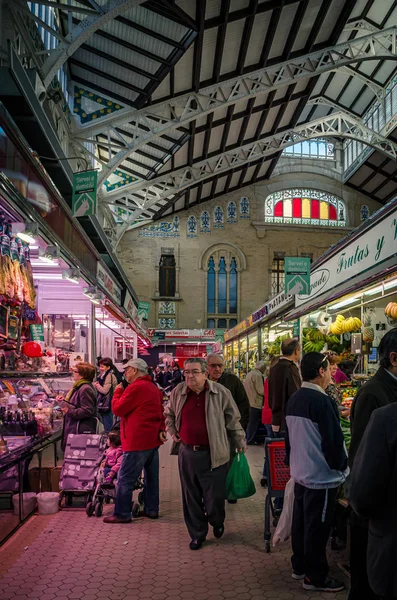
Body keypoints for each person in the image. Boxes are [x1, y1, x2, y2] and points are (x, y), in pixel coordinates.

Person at [164, 358, 246, 550]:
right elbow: (169, 414)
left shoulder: (220, 392)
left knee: (215, 498)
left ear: (205, 373)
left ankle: (217, 520)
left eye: (195, 372)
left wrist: (239, 441)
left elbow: (233, 420)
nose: (190, 376)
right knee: (190, 496)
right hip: (187, 453)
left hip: (215, 453)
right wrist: (172, 430)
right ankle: (197, 534)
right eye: (187, 372)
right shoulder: (178, 392)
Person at [285, 352, 347, 593]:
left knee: (301, 524)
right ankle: (315, 577)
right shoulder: (322, 402)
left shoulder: (296, 398)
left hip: (301, 473)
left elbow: (289, 439)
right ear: (321, 371)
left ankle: (299, 566)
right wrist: (341, 466)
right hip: (320, 477)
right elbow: (332, 441)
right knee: (317, 528)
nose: (332, 373)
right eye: (329, 369)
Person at [348, 328, 397, 600]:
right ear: (394, 358)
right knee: (366, 587)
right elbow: (362, 457)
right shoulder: (373, 394)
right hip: (376, 522)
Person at [103, 358, 166, 524]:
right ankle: (152, 509)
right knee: (152, 478)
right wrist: (161, 430)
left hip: (136, 440)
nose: (125, 373)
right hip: (152, 440)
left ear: (136, 371)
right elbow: (161, 411)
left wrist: (117, 392)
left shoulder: (136, 388)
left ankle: (122, 513)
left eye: (127, 370)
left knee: (125, 478)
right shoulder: (153, 387)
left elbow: (118, 409)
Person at [58, 362, 97, 451]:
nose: (73, 373)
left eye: (75, 371)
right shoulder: (79, 386)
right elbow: (76, 404)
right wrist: (64, 402)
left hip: (80, 429)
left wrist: (68, 411)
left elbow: (87, 410)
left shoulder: (85, 388)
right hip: (75, 428)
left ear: (82, 375)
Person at [206, 353, 250, 430]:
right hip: (209, 428)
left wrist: (239, 427)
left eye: (220, 366)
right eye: (213, 366)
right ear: (206, 367)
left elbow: (243, 405)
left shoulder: (232, 381)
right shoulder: (202, 382)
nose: (217, 369)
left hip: (229, 428)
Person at [268, 338, 301, 434]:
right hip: (288, 422)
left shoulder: (274, 368)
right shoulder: (290, 368)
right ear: (296, 351)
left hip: (276, 419)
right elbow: (295, 394)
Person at [244, 361, 267, 444]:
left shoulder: (250, 373)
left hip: (249, 400)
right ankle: (250, 439)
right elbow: (261, 390)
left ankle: (248, 438)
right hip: (255, 402)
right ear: (263, 368)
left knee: (251, 422)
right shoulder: (258, 375)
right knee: (253, 423)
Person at [93, 358, 118, 433]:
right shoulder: (102, 376)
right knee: (105, 425)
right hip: (104, 404)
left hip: (108, 405)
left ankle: (109, 442)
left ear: (108, 367)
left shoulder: (109, 376)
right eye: (100, 366)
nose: (100, 368)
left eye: (102, 367)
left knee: (108, 427)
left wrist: (97, 386)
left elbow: (105, 391)